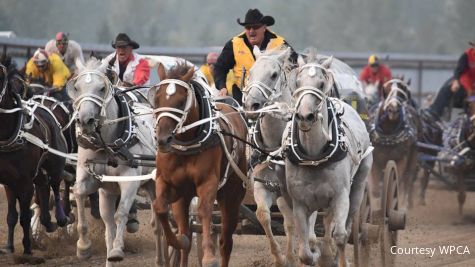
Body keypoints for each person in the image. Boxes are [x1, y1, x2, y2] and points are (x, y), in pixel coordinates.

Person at [213, 8, 298, 105]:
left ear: (264, 27)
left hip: (272, 100)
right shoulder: (234, 44)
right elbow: (219, 68)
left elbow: (296, 64)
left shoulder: (279, 43)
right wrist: (222, 87)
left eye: (255, 27)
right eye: (248, 27)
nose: (251, 31)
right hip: (241, 97)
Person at [427, 41, 475, 119]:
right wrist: (456, 81)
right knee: (446, 88)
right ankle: (434, 113)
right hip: (465, 82)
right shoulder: (467, 55)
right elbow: (459, 70)